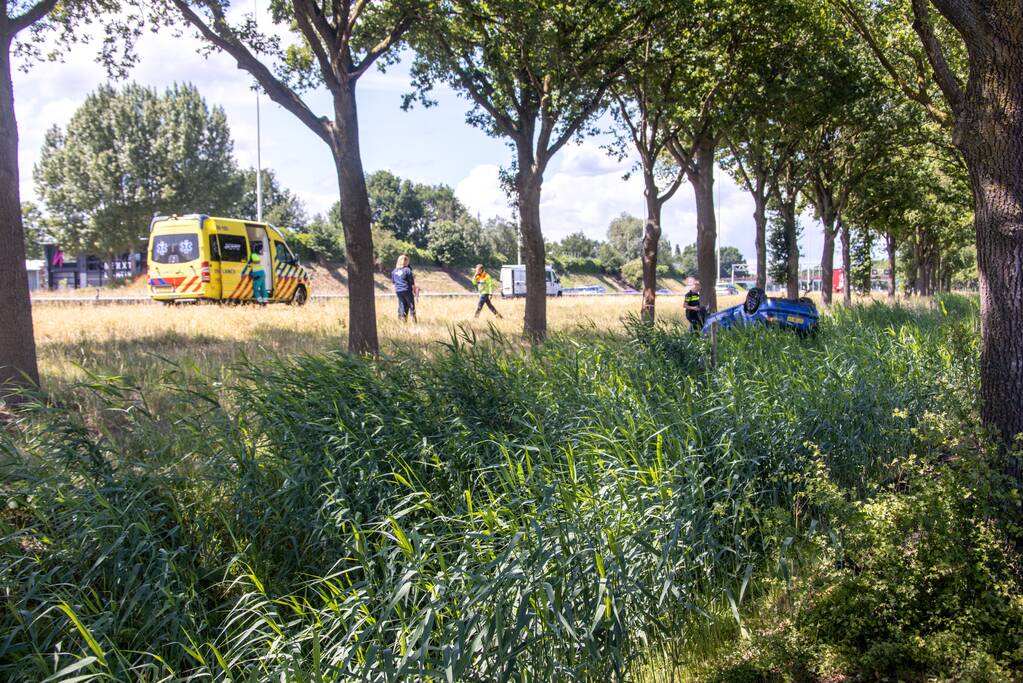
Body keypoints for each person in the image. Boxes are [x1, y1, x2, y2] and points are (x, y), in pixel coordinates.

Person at [392, 253, 418, 322]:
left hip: (398, 290)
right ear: (405, 261)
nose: (408, 262)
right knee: (411, 305)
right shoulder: (407, 270)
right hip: (407, 290)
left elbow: (394, 282)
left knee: (402, 305)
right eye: (407, 261)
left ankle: (402, 321)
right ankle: (414, 320)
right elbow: (412, 282)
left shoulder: (394, 271)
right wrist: (415, 291)